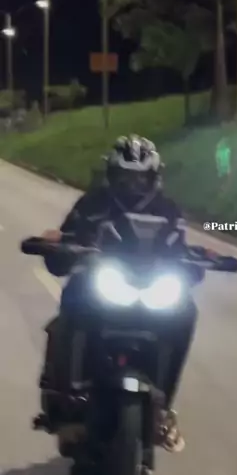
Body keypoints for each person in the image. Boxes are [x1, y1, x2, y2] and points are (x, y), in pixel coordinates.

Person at [39, 134, 196, 453]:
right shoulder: (92, 204)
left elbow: (181, 251)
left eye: (140, 178)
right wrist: (55, 244)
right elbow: (65, 242)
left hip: (151, 290)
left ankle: (163, 409)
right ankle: (68, 399)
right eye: (125, 177)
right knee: (73, 299)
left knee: (187, 311)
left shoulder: (168, 210)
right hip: (101, 285)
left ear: (154, 178)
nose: (132, 185)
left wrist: (198, 262)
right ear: (111, 175)